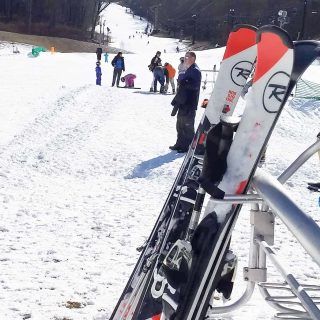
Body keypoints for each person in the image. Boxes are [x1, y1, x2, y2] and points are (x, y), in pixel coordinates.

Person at [170, 51, 201, 153]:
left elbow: (195, 86)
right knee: (180, 124)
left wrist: (184, 82)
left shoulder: (195, 71)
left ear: (193, 58)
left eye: (187, 57)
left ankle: (188, 146)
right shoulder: (189, 69)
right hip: (183, 102)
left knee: (187, 126)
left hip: (190, 102)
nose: (185, 59)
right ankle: (179, 144)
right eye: (185, 57)